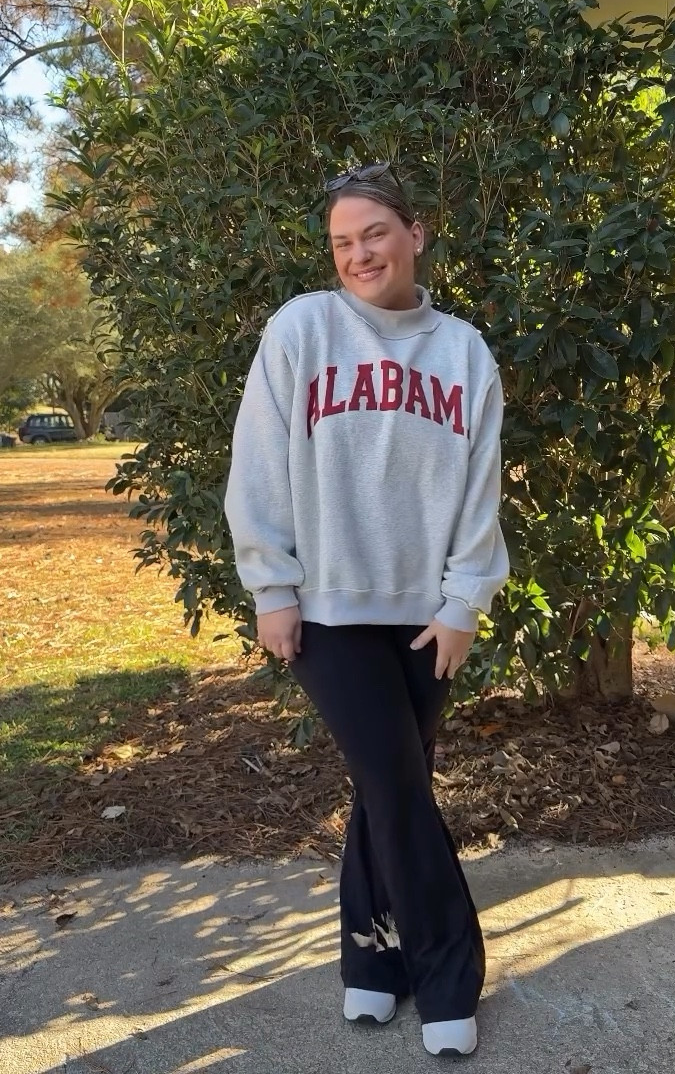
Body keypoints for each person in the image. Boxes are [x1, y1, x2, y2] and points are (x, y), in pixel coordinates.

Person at [224, 162, 509, 1058]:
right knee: (394, 782)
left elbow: (479, 490)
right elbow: (260, 460)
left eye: (373, 234)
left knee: (388, 789)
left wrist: (466, 600)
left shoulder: (463, 351)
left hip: (427, 612)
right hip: (330, 609)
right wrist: (272, 585)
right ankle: (448, 973)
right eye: (342, 242)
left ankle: (371, 966)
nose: (358, 254)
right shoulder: (302, 329)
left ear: (414, 233)